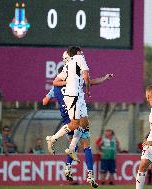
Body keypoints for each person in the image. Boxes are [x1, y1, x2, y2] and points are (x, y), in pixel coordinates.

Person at [43, 49, 113, 188]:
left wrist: (54, 96)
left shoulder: (56, 87)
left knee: (75, 140)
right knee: (86, 145)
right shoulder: (75, 76)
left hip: (65, 118)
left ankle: (68, 168)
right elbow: (88, 80)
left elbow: (45, 101)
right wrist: (85, 87)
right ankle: (90, 175)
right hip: (73, 111)